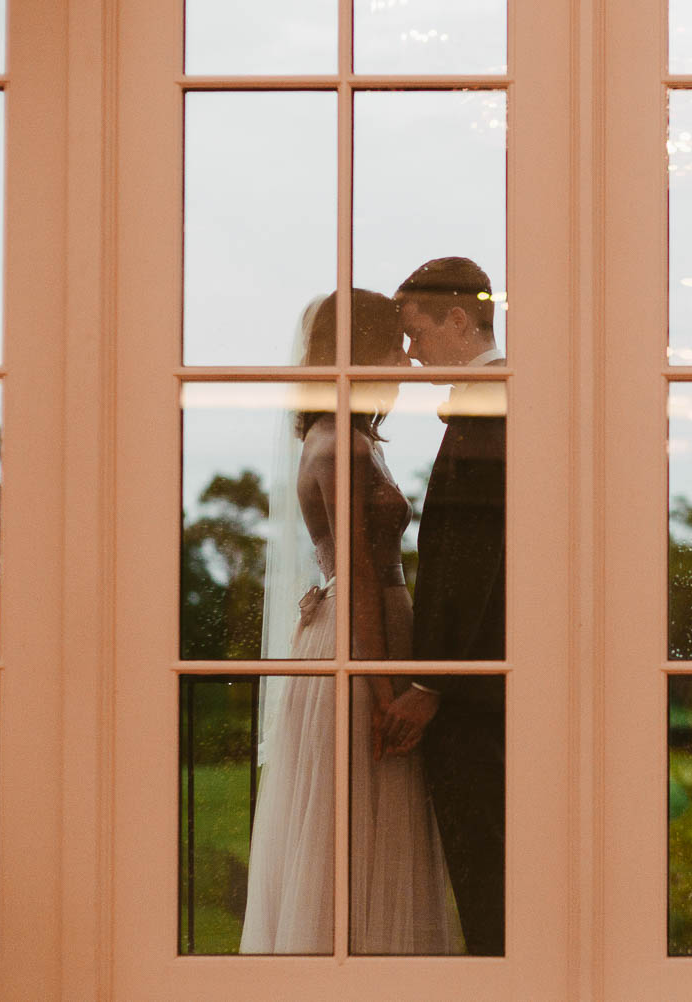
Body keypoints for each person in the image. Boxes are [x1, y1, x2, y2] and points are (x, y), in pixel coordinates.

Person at [240, 289, 457, 955]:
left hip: (372, 628)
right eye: (394, 346)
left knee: (374, 817)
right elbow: (360, 575)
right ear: (363, 353)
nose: (405, 361)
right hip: (360, 642)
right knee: (356, 815)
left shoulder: (349, 438)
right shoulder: (342, 447)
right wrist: (381, 684)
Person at [379, 257, 507, 956]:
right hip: (484, 685)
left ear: (459, 319)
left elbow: (472, 560)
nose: (409, 351)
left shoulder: (492, 405)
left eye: (415, 331)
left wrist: (431, 682)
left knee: (487, 873)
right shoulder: (488, 400)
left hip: (477, 695)